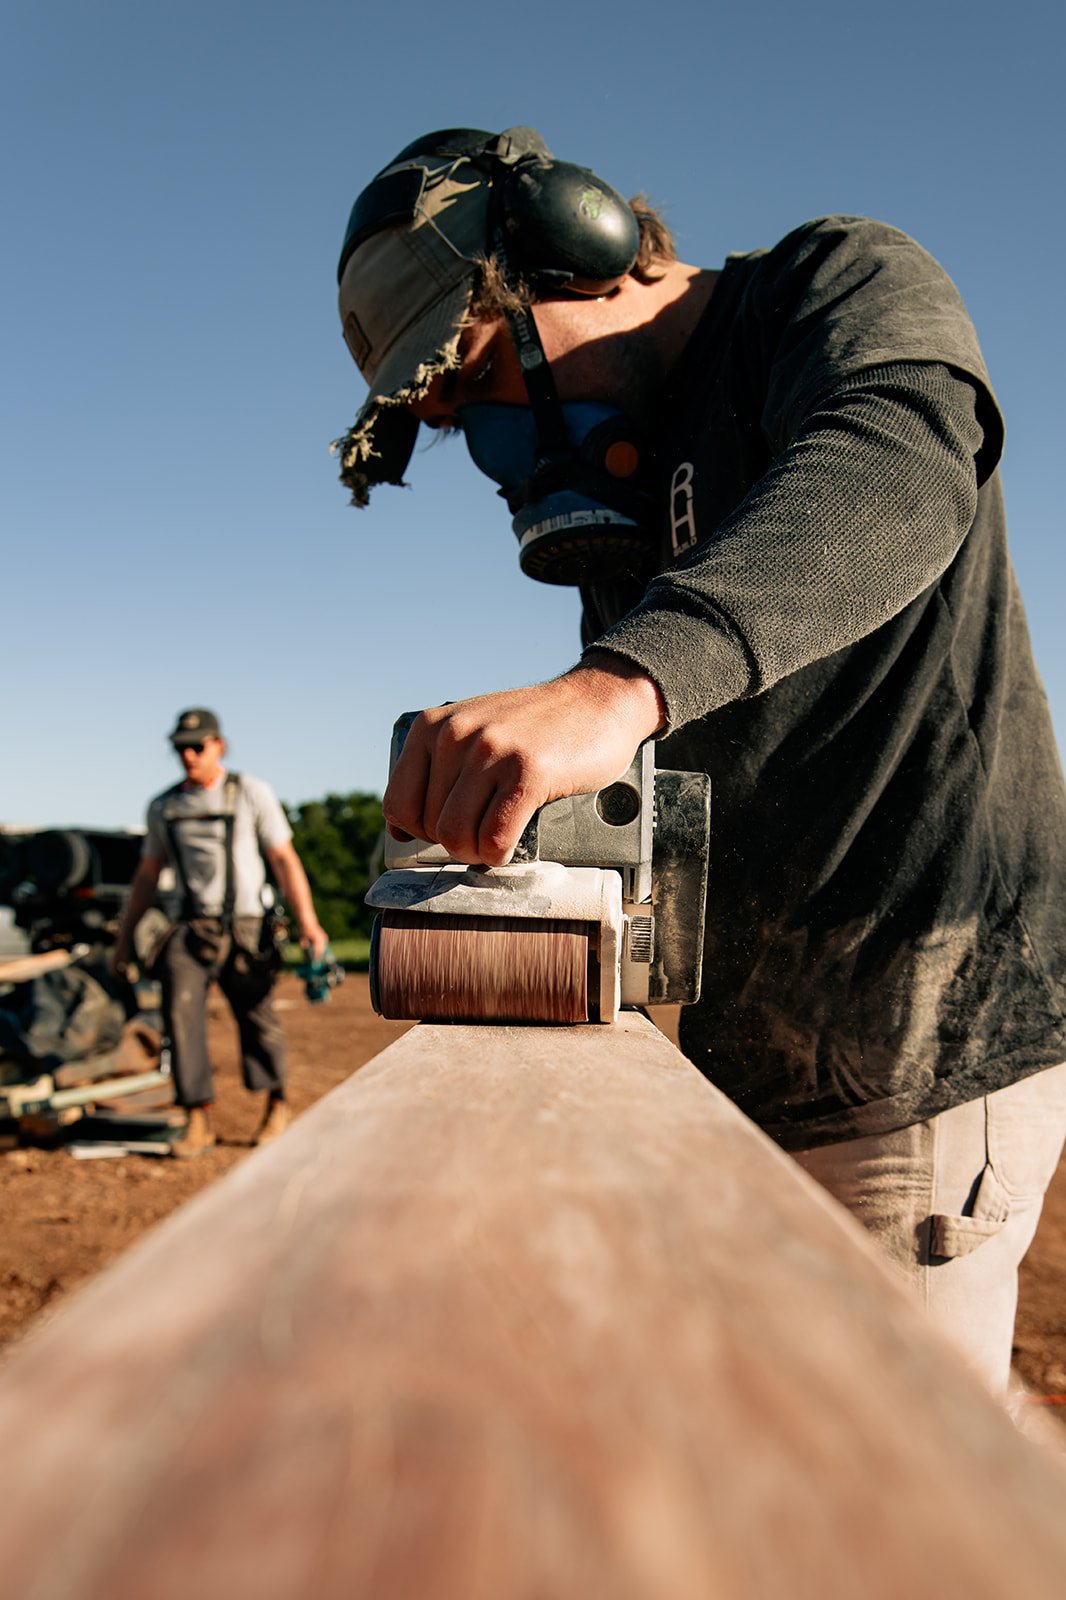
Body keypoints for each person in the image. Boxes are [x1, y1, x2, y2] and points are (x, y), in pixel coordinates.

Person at [330, 126, 1066, 1395]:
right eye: (460, 425)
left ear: (577, 247)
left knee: (881, 1498)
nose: (498, 447)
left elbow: (897, 464)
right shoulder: (625, 537)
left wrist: (610, 686)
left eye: (484, 370)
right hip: (755, 1063)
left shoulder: (826, 287)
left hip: (918, 1036)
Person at [112, 708, 328, 1158]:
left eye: (198, 745)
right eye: (180, 748)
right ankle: (197, 1116)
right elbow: (147, 876)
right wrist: (124, 939)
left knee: (257, 1016)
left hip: (246, 926)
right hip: (189, 927)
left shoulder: (250, 793)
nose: (188, 755)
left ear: (219, 746)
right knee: (179, 1015)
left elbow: (284, 860)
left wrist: (307, 921)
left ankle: (276, 1104)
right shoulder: (164, 806)